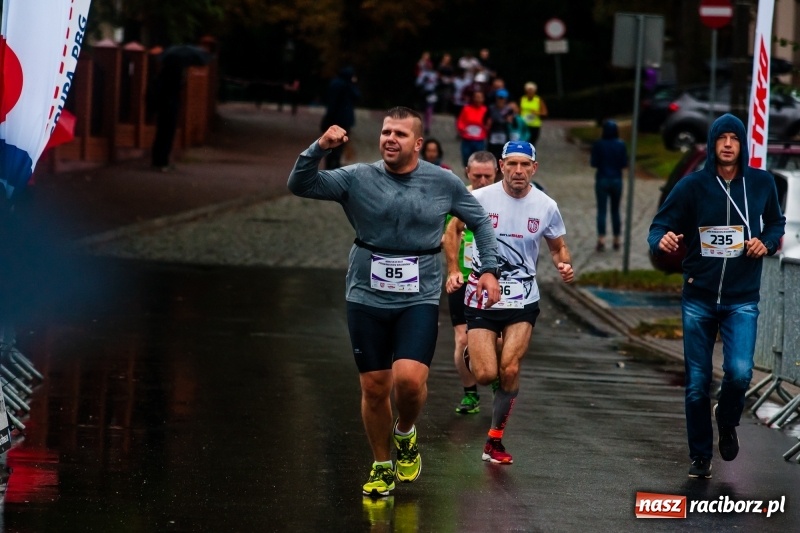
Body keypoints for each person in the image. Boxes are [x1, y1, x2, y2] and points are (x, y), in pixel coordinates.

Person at [287, 106, 501, 497]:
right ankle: (382, 465)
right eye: (386, 131)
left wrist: (489, 269)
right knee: (374, 386)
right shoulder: (358, 177)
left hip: (417, 296)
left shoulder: (443, 183)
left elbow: (481, 222)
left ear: (418, 143)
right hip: (366, 294)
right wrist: (318, 147)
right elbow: (301, 184)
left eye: (400, 134)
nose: (390, 138)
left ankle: (405, 431)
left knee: (407, 380)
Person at [647, 113, 785, 480]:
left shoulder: (760, 183)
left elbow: (775, 223)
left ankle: (726, 420)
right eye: (721, 138)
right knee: (696, 383)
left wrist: (766, 242)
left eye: (734, 138)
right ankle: (700, 455)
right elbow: (660, 225)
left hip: (742, 297)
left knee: (739, 373)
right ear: (712, 144)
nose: (727, 144)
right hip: (699, 297)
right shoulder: (693, 186)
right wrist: (660, 241)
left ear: (742, 145)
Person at [446, 140, 574, 464]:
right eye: (512, 164)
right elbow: (453, 230)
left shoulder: (546, 206)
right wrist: (452, 269)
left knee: (510, 368)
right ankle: (471, 353)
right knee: (486, 374)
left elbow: (558, 246)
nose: (518, 171)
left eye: (524, 165)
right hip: (481, 298)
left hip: (523, 299)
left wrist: (564, 263)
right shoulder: (478, 198)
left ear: (534, 168)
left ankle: (494, 440)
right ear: (501, 166)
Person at [443, 151, 497, 414]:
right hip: (465, 277)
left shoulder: (503, 198)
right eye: (477, 176)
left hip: (497, 278)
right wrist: (453, 270)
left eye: (488, 175)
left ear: (497, 172)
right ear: (467, 172)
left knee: (497, 337)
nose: (483, 181)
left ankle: (497, 380)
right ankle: (470, 394)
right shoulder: (458, 198)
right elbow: (448, 233)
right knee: (463, 339)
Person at [590, 119, 628, 252]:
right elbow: (624, 163)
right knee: (615, 210)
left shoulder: (599, 144)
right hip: (617, 179)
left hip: (602, 179)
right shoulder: (621, 144)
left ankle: (601, 238)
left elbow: (594, 163)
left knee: (602, 210)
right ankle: (616, 238)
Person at [320, 66, 361, 170]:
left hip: (335, 119)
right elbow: (357, 96)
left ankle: (331, 166)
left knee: (332, 146)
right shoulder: (347, 85)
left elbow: (331, 103)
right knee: (338, 146)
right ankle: (333, 166)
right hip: (342, 120)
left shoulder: (336, 83)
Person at [456, 90, 488, 167]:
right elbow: (460, 121)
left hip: (479, 140)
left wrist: (486, 129)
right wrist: (462, 129)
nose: (478, 99)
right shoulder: (466, 109)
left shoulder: (485, 110)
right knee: (466, 159)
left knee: (479, 160)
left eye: (480, 97)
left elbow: (488, 123)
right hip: (467, 139)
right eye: (476, 97)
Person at [519, 82, 548, 146]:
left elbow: (545, 112)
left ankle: (531, 155)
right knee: (524, 142)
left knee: (532, 143)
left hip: (535, 125)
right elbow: (519, 111)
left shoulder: (538, 100)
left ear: (535, 91)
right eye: (528, 90)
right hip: (524, 124)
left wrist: (537, 112)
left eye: (531, 90)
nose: (530, 92)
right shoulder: (523, 99)